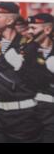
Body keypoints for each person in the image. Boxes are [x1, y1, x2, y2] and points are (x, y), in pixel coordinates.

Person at [0, 2, 39, 142]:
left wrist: (21, 66)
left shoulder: (30, 45)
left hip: (24, 116)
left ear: (10, 20)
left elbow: (38, 80)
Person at [21, 13, 54, 142]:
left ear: (47, 29)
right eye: (29, 28)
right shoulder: (26, 51)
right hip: (32, 109)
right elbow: (26, 79)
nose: (29, 31)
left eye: (33, 28)